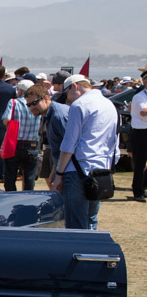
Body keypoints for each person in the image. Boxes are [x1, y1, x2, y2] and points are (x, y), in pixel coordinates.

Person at [50, 74, 118, 229]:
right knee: (91, 220)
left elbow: (69, 144)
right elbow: (114, 141)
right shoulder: (109, 105)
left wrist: (59, 173)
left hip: (77, 171)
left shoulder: (79, 105)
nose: (67, 100)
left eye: (66, 94)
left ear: (75, 86)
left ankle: (77, 252)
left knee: (76, 223)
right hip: (101, 170)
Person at [0, 80, 41, 191]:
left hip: (15, 143)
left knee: (10, 176)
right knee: (29, 178)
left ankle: (11, 199)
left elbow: (6, 120)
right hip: (32, 144)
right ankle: (27, 200)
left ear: (21, 90)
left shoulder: (14, 102)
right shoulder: (38, 104)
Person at [25, 83, 69, 184]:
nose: (31, 108)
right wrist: (55, 171)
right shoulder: (48, 114)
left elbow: (69, 146)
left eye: (35, 103)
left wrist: (60, 174)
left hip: (71, 169)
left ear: (46, 98)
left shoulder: (58, 116)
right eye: (29, 105)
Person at [128, 64, 147, 202]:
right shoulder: (139, 96)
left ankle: (143, 185)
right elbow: (143, 112)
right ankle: (137, 191)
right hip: (141, 133)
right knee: (140, 164)